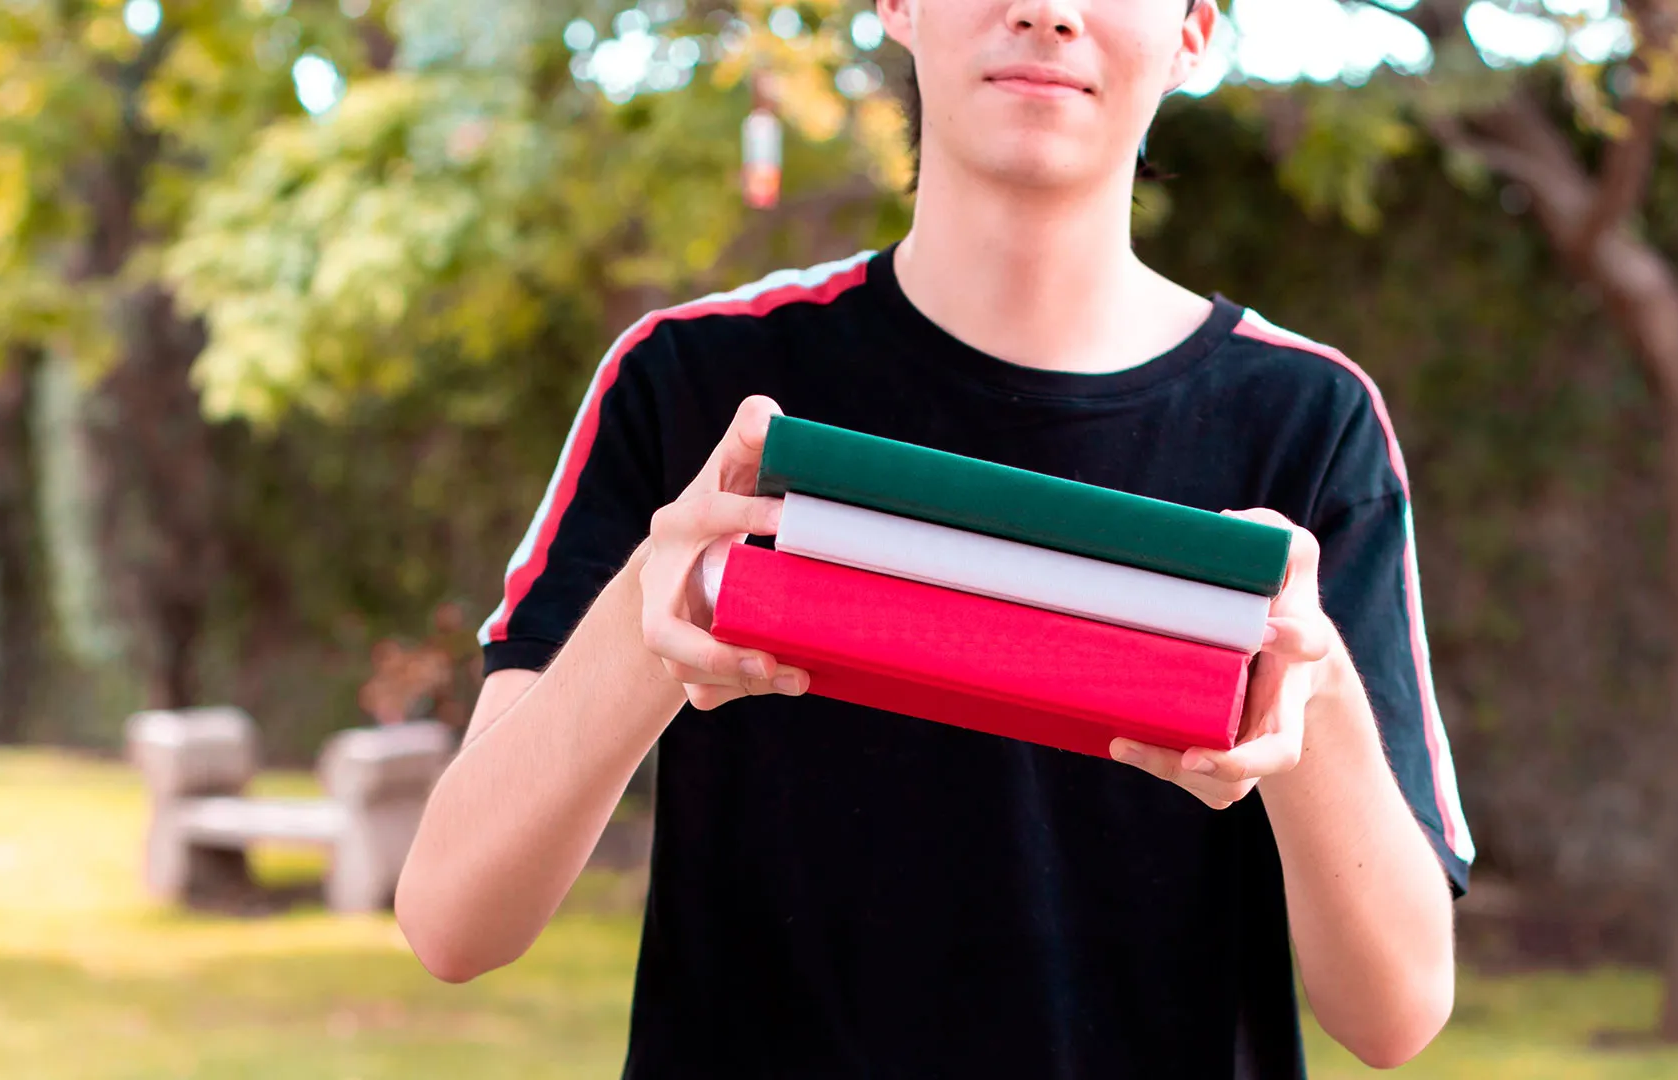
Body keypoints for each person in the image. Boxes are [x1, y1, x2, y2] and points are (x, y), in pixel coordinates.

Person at [394, 0, 1473, 1072]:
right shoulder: (686, 383)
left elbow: (1396, 1015)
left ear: (1194, 26)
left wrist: (1314, 693)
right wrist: (649, 615)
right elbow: (453, 921)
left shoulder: (1310, 422)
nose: (1047, 12)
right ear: (897, 6)